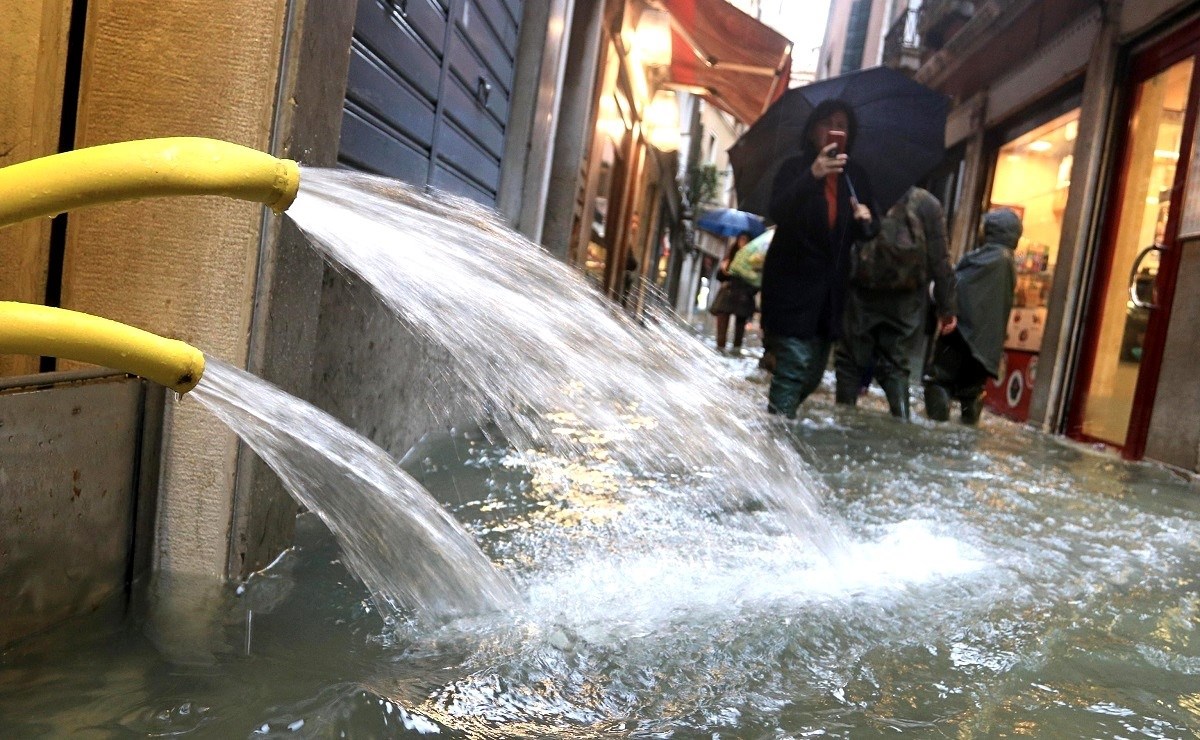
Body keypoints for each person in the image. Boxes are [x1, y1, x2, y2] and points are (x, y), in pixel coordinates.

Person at [759, 99, 879, 418]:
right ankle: (776, 441)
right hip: (791, 287)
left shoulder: (856, 178)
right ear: (813, 130)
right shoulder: (794, 169)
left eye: (842, 125)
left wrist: (866, 219)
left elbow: (868, 231)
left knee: (812, 375)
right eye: (827, 123)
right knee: (794, 364)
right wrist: (812, 175)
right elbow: (777, 211)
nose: (834, 130)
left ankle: (776, 420)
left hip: (830, 295)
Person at [833, 186, 957, 419]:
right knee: (897, 366)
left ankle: (842, 419)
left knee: (849, 362)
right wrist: (947, 308)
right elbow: (941, 260)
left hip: (862, 292)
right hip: (906, 298)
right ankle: (901, 420)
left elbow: (839, 245)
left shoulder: (858, 193)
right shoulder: (928, 204)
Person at [923, 207, 1021, 424]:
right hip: (986, 343)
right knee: (971, 390)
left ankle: (934, 434)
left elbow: (956, 285)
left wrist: (936, 291)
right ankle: (966, 436)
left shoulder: (988, 258)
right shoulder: (1008, 262)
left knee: (939, 381)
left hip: (961, 334)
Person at [710, 231, 757, 354]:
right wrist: (723, 270)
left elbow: (756, 281)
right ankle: (720, 351)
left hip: (743, 297)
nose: (743, 242)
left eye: (745, 240)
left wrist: (748, 292)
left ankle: (736, 352)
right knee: (721, 326)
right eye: (741, 239)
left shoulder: (754, 259)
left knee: (739, 331)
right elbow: (719, 277)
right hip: (727, 294)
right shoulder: (731, 256)